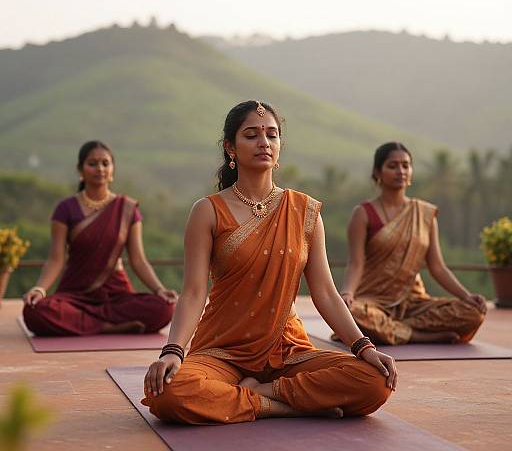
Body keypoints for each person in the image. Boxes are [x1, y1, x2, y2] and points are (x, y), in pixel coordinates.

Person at [142, 101, 396, 425]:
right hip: (223, 349)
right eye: (251, 135)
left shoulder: (304, 211)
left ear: (280, 146)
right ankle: (278, 405)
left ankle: (264, 391)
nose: (264, 142)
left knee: (374, 381)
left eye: (272, 135)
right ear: (230, 148)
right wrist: (173, 352)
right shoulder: (207, 211)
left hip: (287, 351)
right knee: (170, 393)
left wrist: (365, 348)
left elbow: (327, 294)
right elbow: (193, 293)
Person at [333, 142, 486, 346]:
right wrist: (348, 294)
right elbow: (355, 263)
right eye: (393, 165)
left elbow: (438, 267)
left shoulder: (424, 213)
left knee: (473, 313)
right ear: (377, 172)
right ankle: (417, 335)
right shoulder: (363, 214)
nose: (401, 171)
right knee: (350, 312)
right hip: (373, 301)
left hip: (413, 302)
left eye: (406, 165)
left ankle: (392, 329)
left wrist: (467, 296)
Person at [22, 140, 176, 336]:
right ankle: (109, 327)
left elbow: (138, 260)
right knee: (34, 311)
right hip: (75, 294)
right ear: (80, 169)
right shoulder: (65, 209)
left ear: (113, 169)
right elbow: (56, 259)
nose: (100, 169)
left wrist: (159, 290)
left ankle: (86, 324)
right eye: (92, 163)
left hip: (116, 296)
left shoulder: (126, 208)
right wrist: (40, 289)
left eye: (105, 163)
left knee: (163, 308)